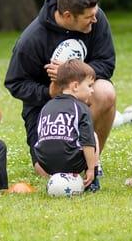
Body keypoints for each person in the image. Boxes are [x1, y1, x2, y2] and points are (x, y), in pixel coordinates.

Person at [5, 0, 116, 174]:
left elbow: (106, 62)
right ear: (67, 16)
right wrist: (50, 90)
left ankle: (92, 160)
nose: (95, 20)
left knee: (105, 92)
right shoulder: (31, 40)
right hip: (46, 108)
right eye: (88, 18)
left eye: (95, 14)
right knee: (47, 172)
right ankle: (67, 158)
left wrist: (75, 75)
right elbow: (15, 83)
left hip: (83, 95)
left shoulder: (96, 18)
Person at [34, 59, 99, 190]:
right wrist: (91, 169)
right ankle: (93, 181)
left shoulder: (46, 106)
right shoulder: (81, 108)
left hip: (45, 163)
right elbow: (87, 142)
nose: (92, 91)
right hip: (72, 163)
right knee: (93, 136)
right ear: (75, 86)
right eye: (89, 86)